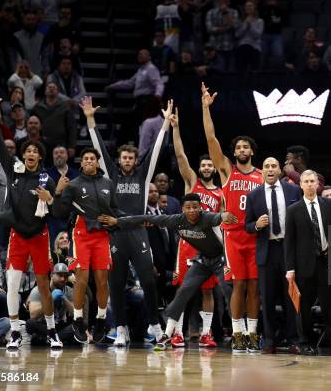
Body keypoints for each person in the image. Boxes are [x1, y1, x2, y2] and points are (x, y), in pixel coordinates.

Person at [80, 95, 169, 347]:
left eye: (131, 157)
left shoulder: (143, 176)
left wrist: (165, 124)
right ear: (119, 160)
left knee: (149, 280)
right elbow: (99, 148)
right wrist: (90, 119)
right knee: (116, 284)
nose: (128, 161)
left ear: (135, 160)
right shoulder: (110, 175)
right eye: (124, 158)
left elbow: (156, 150)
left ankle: (154, 325)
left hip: (139, 233)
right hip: (115, 234)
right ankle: (120, 329)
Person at [98, 194, 237, 351]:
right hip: (202, 259)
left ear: (200, 208)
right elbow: (145, 218)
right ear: (182, 209)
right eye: (188, 207)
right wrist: (118, 221)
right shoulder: (177, 220)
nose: (192, 211)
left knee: (228, 290)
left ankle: (240, 333)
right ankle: (167, 335)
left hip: (220, 259)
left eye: (195, 207)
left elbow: (217, 217)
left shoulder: (206, 217)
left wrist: (224, 215)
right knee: (183, 292)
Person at [0, 85, 63, 350]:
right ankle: (16, 332)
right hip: (18, 236)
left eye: (35, 152)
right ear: (23, 155)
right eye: (27, 151)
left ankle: (53, 330)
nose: (31, 154)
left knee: (43, 283)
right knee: (12, 284)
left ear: (40, 156)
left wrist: (50, 200)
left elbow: (59, 212)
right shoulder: (14, 171)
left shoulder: (47, 179)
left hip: (40, 236)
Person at [200, 82, 263, 352]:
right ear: (234, 152)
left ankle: (253, 333)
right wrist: (206, 109)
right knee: (238, 284)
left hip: (256, 235)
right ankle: (237, 333)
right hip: (233, 236)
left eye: (245, 147)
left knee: (254, 286)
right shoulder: (226, 171)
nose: (241, 150)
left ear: (252, 151)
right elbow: (211, 139)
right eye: (238, 147)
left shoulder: (262, 175)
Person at [51, 147, 122, 344]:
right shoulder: (73, 185)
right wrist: (57, 192)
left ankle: (100, 319)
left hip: (102, 236)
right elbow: (58, 212)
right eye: (86, 158)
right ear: (81, 164)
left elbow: (115, 209)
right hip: (81, 234)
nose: (89, 160)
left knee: (101, 280)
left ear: (98, 163)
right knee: (81, 279)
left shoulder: (108, 183)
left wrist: (118, 220)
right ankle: (78, 319)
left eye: (92, 158)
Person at [169, 103, 224, 348]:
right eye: (202, 165)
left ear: (214, 168)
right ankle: (177, 332)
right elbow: (180, 155)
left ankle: (206, 333)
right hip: (189, 241)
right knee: (183, 289)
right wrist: (176, 128)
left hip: (210, 246)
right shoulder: (192, 183)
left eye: (209, 165)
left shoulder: (222, 192)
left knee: (207, 292)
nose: (205, 168)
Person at [284, 170, 331, 356]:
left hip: (325, 261)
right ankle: (305, 342)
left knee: (329, 305)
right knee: (303, 307)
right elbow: (289, 242)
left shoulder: (328, 204)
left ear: (317, 184)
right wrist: (290, 268)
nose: (310, 184)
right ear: (301, 185)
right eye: (306, 181)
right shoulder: (293, 209)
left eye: (313, 181)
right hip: (303, 264)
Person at [245, 157, 301, 354]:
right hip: (267, 250)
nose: (270, 169)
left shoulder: (293, 190)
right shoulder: (253, 195)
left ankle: (294, 340)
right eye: (266, 166)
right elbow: (247, 225)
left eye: (273, 166)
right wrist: (256, 225)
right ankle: (269, 341)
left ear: (279, 170)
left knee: (290, 298)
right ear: (262, 171)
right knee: (267, 299)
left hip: (288, 249)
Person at [25, 263, 77, 345]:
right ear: (52, 275)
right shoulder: (39, 290)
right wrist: (50, 300)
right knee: (30, 324)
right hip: (44, 325)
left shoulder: (69, 291)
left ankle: (50, 339)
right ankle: (57, 338)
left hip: (60, 324)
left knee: (79, 324)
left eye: (65, 276)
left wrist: (64, 298)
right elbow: (33, 315)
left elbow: (76, 314)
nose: (63, 279)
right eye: (59, 275)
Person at [31, 82, 76, 159]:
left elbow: (72, 127)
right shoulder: (37, 108)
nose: (51, 89)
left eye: (54, 87)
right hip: (42, 142)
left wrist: (71, 146)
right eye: (49, 87)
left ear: (58, 92)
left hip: (61, 143)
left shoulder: (65, 107)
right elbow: (32, 126)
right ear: (45, 91)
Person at [235, 0, 263, 73]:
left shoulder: (260, 21)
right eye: (247, 6)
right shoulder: (240, 21)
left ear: (254, 8)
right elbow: (237, 35)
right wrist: (245, 25)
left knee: (254, 70)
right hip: (242, 47)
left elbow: (257, 35)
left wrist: (250, 25)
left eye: (250, 6)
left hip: (254, 48)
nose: (248, 7)